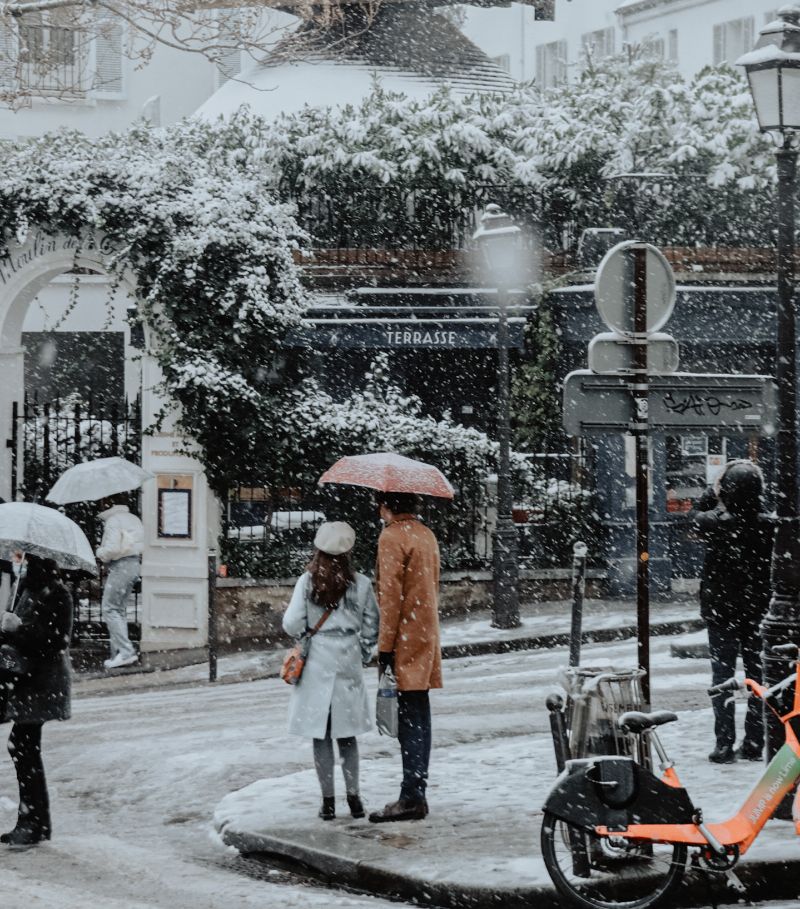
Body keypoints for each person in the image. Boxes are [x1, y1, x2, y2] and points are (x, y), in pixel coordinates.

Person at [282, 521, 379, 821]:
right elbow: (373, 625)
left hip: (318, 660)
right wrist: (360, 651)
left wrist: (308, 634)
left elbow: (291, 624)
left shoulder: (307, 582)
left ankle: (328, 802)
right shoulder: (361, 584)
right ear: (349, 551)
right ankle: (355, 798)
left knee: (320, 735)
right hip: (347, 658)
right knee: (347, 735)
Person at [692, 459, 775, 764]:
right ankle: (754, 741)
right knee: (758, 678)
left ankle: (724, 743)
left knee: (722, 677)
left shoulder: (714, 522)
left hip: (721, 610)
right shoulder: (769, 524)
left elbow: (694, 516)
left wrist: (712, 491)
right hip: (757, 610)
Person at [369, 492, 442, 823]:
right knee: (420, 716)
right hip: (425, 631)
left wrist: (384, 648)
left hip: (404, 636)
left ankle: (411, 796)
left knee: (409, 720)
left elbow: (390, 599)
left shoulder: (391, 537)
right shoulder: (425, 535)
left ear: (386, 506)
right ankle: (417, 790)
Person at [0, 553, 72, 846]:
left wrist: (18, 629)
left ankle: (33, 822)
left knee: (23, 746)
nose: (25, 565)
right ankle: (35, 821)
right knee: (23, 746)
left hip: (42, 681)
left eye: (29, 561)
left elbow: (53, 640)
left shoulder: (57, 593)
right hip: (28, 679)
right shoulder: (26, 588)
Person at [97, 494, 144, 670]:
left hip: (121, 566)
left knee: (109, 608)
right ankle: (118, 653)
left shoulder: (114, 521)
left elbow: (112, 549)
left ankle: (125, 652)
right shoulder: (133, 519)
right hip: (133, 565)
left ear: (108, 502)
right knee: (119, 609)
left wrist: (99, 552)